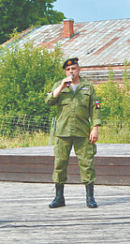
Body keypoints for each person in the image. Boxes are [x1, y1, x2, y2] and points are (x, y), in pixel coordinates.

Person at [45, 57, 102, 208]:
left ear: (79, 69)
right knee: (60, 164)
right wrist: (62, 86)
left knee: (87, 163)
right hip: (63, 132)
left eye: (74, 69)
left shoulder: (87, 87)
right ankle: (59, 197)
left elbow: (95, 109)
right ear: (65, 71)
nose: (71, 72)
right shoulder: (59, 85)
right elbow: (49, 101)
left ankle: (90, 197)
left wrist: (95, 128)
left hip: (82, 132)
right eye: (68, 70)